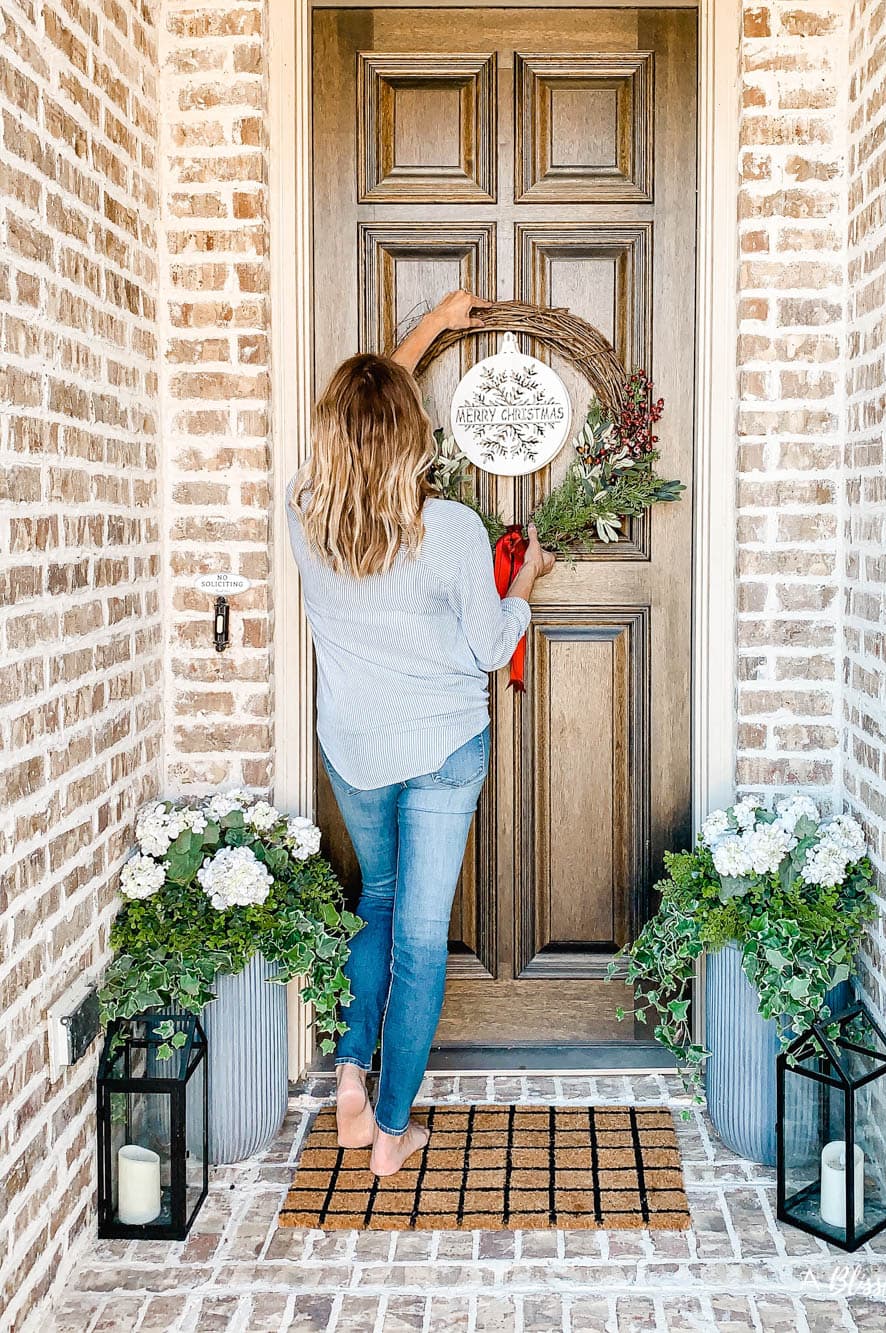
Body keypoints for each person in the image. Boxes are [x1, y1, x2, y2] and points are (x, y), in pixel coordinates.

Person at [286, 291, 555, 1176]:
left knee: (378, 899)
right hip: (441, 751)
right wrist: (528, 585)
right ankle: (393, 1134)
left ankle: (353, 1081)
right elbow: (488, 647)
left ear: (331, 435)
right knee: (420, 935)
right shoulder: (450, 530)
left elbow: (368, 407)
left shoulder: (303, 515)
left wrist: (434, 324)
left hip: (356, 751)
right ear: (412, 435)